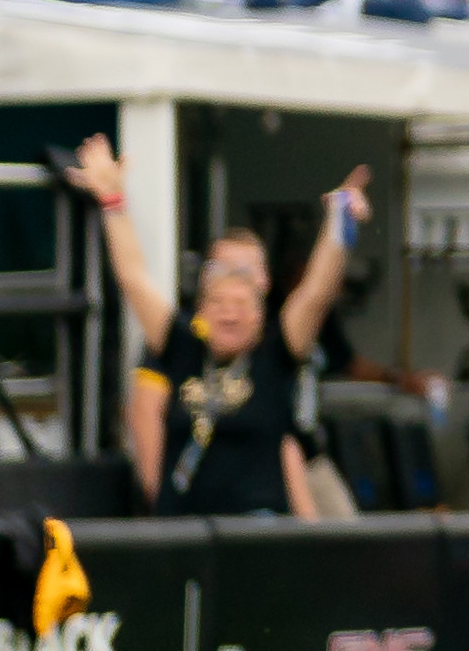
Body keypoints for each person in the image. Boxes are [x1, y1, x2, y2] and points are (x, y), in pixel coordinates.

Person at [69, 136, 366, 517]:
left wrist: (340, 224)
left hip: (257, 527)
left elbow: (317, 292)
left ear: (261, 313)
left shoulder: (275, 352)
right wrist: (112, 200)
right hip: (189, 527)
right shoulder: (182, 345)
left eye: (242, 305)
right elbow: (133, 278)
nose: (230, 313)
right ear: (201, 313)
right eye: (219, 304)